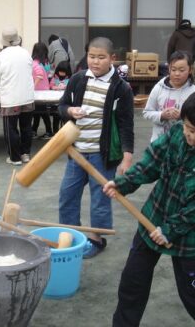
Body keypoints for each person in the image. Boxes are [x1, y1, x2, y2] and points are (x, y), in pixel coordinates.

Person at [103, 92, 195, 326]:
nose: (190, 136)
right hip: (154, 218)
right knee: (132, 282)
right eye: (188, 128)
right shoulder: (176, 134)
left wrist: (170, 230)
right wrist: (124, 183)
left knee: (192, 296)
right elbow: (151, 163)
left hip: (189, 236)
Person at [58, 36, 134, 258]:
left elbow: (126, 124)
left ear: (112, 58)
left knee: (100, 198)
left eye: (101, 57)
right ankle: (71, 236)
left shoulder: (121, 88)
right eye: (92, 56)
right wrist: (70, 111)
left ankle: (96, 239)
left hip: (102, 154)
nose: (95, 61)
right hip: (76, 152)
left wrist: (127, 157)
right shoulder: (78, 79)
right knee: (67, 194)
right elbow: (62, 106)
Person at [0, 26, 35, 166]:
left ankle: (15, 157)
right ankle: (25, 154)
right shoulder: (26, 53)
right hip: (27, 95)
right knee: (26, 126)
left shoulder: (1, 55)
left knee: (11, 128)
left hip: (10, 97)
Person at [143, 50, 195, 142]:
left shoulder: (193, 91)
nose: (177, 74)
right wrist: (161, 115)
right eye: (173, 69)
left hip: (183, 143)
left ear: (190, 70)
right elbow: (147, 112)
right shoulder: (159, 88)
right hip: (159, 142)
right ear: (169, 69)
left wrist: (182, 116)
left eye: (182, 70)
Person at [31, 42, 53, 140]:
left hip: (37, 91)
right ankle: (36, 130)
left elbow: (39, 75)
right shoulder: (46, 62)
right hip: (45, 90)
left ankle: (47, 131)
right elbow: (47, 74)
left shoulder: (35, 63)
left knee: (40, 112)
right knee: (41, 112)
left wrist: (32, 87)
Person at [49, 60, 72, 134]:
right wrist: (55, 87)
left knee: (66, 119)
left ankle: (65, 134)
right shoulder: (54, 78)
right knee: (56, 119)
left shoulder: (70, 79)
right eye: (60, 71)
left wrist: (65, 87)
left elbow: (71, 88)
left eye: (63, 72)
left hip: (65, 103)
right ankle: (55, 133)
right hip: (55, 103)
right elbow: (51, 86)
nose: (61, 73)